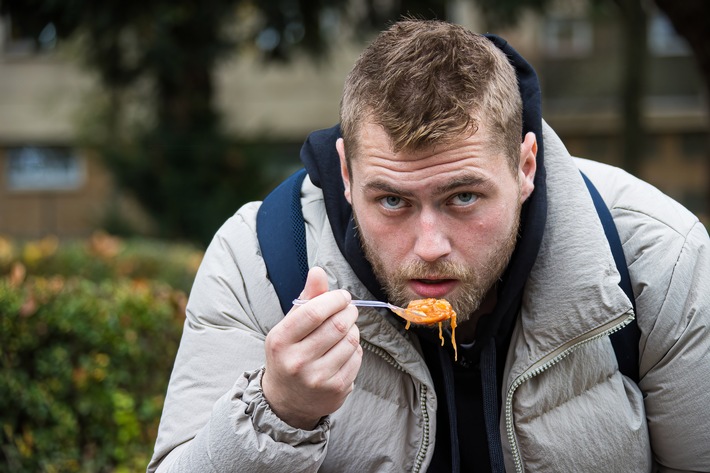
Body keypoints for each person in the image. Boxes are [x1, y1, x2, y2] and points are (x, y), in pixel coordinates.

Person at [147, 19, 710, 473]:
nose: (430, 246)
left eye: (463, 197)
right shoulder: (260, 260)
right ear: (346, 174)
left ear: (525, 167)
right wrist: (280, 413)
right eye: (392, 201)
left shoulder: (657, 257)